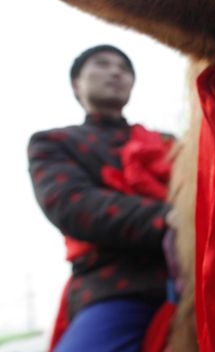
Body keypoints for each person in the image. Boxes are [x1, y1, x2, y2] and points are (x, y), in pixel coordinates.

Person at [28, 45, 173, 352]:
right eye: (102, 64)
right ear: (76, 84)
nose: (115, 71)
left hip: (203, 270)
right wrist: (174, 218)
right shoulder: (54, 143)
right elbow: (75, 207)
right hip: (117, 285)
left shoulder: (168, 143)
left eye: (124, 67)